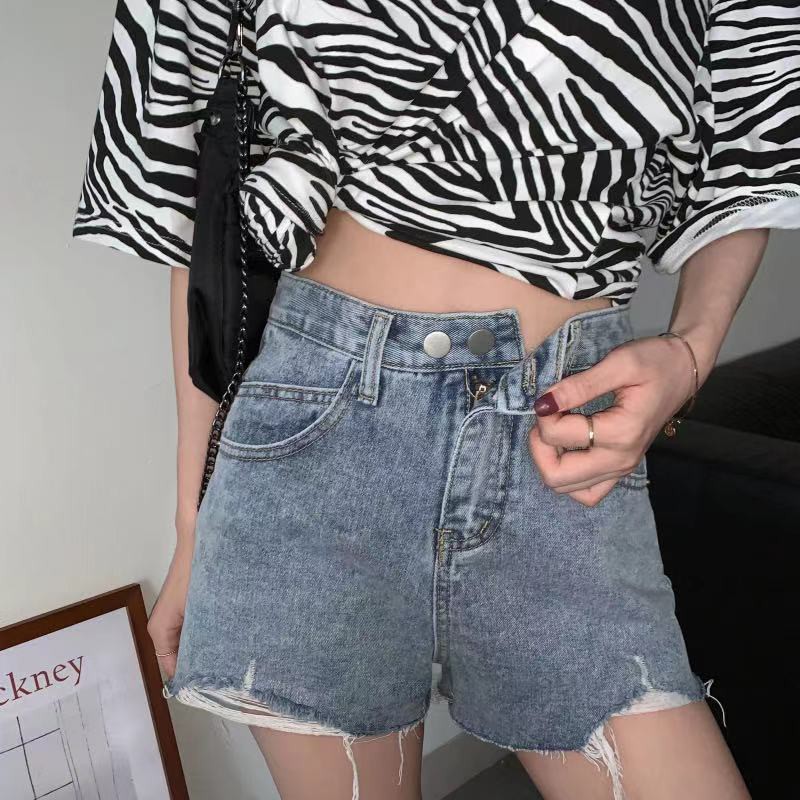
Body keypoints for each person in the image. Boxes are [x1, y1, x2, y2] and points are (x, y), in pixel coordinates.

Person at [72, 1, 799, 798]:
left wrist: (690, 353)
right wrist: (194, 522)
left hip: (560, 436)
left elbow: (754, 146)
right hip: (317, 429)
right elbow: (199, 194)